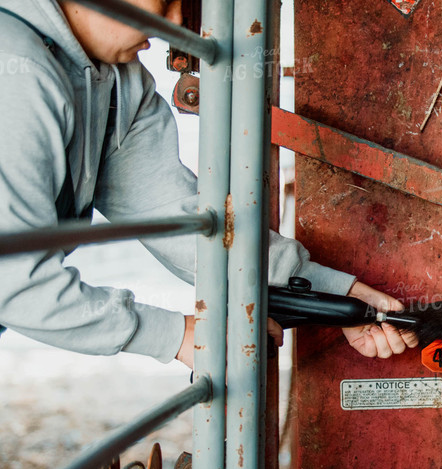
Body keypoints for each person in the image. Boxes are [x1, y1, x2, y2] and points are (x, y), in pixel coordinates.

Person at [0, 0, 417, 367]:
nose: (180, 22)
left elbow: (178, 219)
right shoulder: (16, 68)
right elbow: (13, 280)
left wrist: (335, 297)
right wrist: (178, 336)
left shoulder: (118, 83)